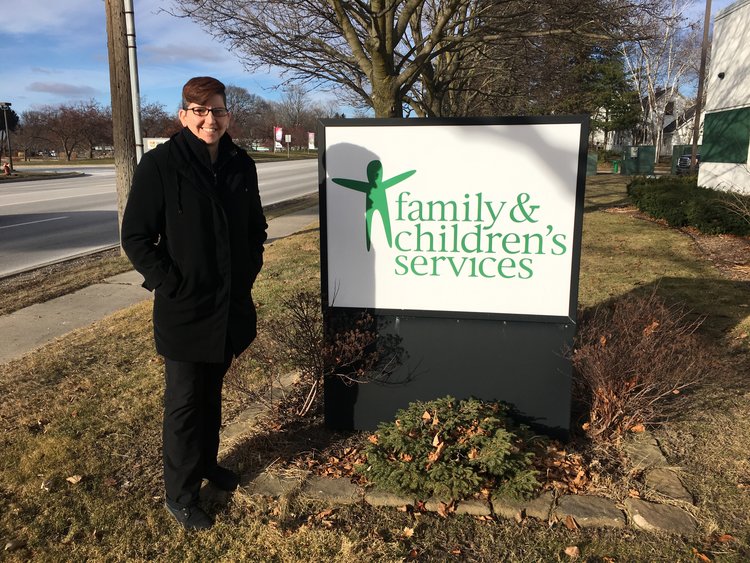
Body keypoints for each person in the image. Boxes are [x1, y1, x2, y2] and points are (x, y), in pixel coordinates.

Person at [121, 76, 267, 531]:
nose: (210, 119)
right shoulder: (161, 165)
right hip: (184, 308)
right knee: (184, 402)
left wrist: (245, 274)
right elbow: (136, 237)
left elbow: (255, 229)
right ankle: (180, 494)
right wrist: (171, 283)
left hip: (229, 306)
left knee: (211, 393)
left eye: (218, 111)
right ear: (183, 115)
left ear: (228, 116)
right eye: (200, 111)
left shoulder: (241, 164)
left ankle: (207, 465)